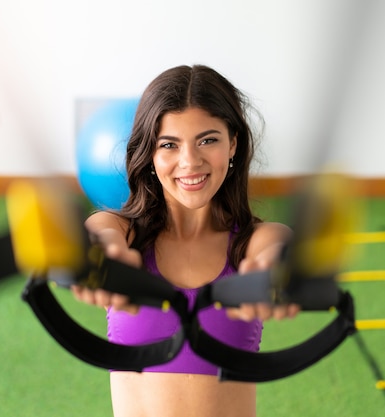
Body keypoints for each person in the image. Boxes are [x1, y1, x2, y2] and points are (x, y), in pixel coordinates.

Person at [72, 64, 300, 417]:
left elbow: (277, 248)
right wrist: (105, 255)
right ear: (150, 153)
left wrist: (276, 270)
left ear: (233, 144)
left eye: (208, 140)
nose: (190, 161)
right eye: (169, 144)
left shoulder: (255, 240)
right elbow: (100, 234)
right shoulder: (122, 233)